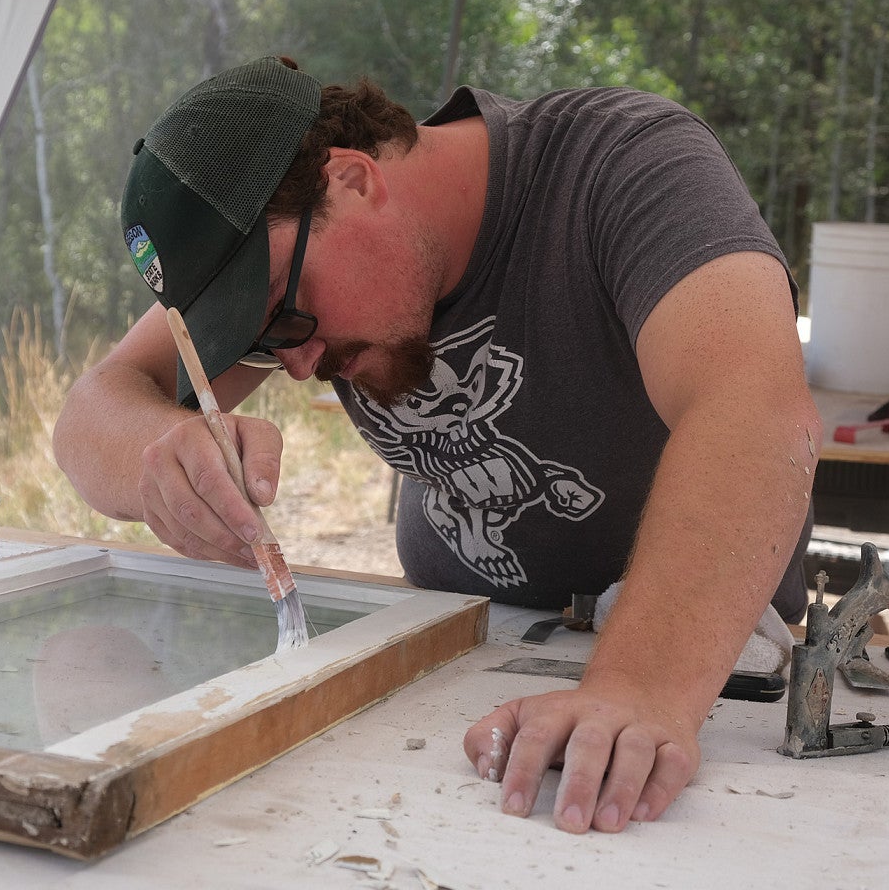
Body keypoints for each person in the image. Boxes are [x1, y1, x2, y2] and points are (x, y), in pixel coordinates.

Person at [52, 55, 821, 834]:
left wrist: (638, 690)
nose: (297, 362)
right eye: (257, 341)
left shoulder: (624, 164)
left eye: (288, 316)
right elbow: (94, 408)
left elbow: (755, 416)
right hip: (455, 658)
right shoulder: (287, 270)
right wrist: (165, 445)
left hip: (699, 677)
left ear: (350, 179)